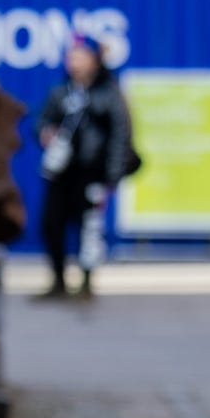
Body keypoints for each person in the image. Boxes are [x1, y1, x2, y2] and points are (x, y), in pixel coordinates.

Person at [36, 32, 132, 300]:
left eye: (80, 56)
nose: (74, 62)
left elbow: (120, 135)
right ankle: (58, 280)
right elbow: (41, 121)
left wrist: (112, 174)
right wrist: (45, 132)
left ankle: (87, 283)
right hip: (61, 173)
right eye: (71, 56)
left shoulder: (108, 94)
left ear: (94, 60)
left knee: (89, 227)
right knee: (51, 224)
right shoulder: (61, 93)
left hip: (91, 172)